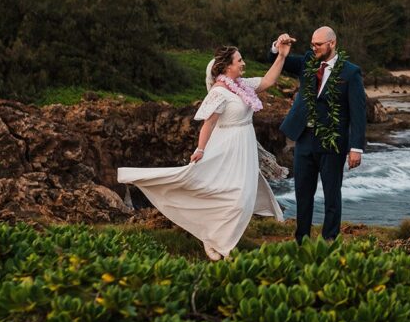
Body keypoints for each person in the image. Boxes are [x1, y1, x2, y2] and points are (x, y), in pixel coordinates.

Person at [117, 44, 286, 260]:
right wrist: (200, 149)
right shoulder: (218, 92)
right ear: (226, 67)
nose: (243, 63)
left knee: (244, 198)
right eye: (239, 60)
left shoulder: (242, 85)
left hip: (245, 147)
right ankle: (219, 243)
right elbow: (209, 123)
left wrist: (281, 56)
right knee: (227, 196)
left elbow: (268, 81)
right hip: (226, 146)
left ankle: (215, 236)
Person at [272, 26, 367, 242]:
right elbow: (279, 60)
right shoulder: (307, 60)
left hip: (333, 142)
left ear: (331, 44)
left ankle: (329, 239)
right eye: (312, 43)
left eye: (318, 44)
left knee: (332, 195)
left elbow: (358, 113)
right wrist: (278, 47)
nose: (313, 47)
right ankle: (301, 240)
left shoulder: (350, 72)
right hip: (304, 138)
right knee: (303, 193)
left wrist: (356, 148)